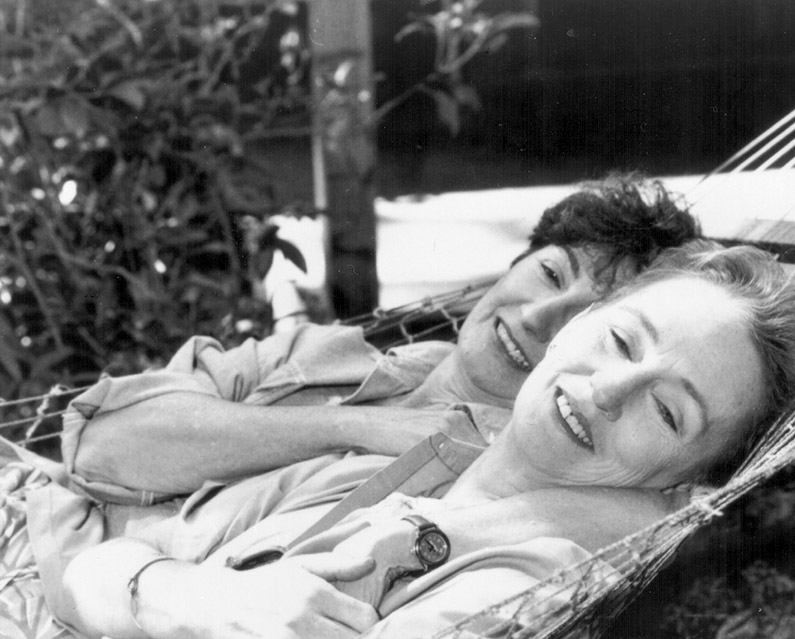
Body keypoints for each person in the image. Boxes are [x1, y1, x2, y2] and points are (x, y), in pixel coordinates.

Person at [0, 243, 795, 639]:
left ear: (685, 482)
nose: (611, 390)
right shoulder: (440, 452)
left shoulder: (514, 593)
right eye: (619, 340)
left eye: (666, 409)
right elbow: (109, 565)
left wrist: (150, 588)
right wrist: (181, 594)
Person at [59, 174, 700, 506]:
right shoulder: (321, 352)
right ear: (512, 265)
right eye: (550, 272)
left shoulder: (494, 473)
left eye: (588, 319)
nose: (538, 317)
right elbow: (98, 443)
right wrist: (351, 428)